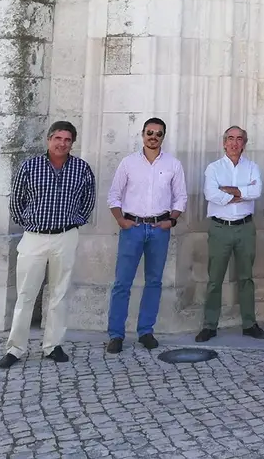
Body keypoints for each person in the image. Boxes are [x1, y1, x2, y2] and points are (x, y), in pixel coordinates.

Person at [0, 121, 96, 369]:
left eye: (67, 140)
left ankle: (53, 345)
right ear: (49, 139)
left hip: (65, 236)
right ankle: (15, 348)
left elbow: (88, 201)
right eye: (57, 138)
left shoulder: (82, 169)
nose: (62, 143)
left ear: (72, 143)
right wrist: (30, 224)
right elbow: (16, 202)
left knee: (59, 293)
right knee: (26, 294)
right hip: (34, 238)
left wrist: (75, 223)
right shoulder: (30, 167)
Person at [105, 117, 188, 353]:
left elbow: (180, 196)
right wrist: (121, 220)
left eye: (158, 133)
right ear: (142, 134)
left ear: (163, 137)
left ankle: (146, 331)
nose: (153, 137)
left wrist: (172, 220)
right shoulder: (128, 163)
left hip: (158, 229)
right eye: (149, 132)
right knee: (122, 283)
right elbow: (114, 195)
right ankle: (116, 335)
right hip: (132, 228)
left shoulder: (173, 164)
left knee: (154, 282)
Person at [196, 126, 264, 342]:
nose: (235, 143)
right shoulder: (214, 168)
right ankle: (209, 325)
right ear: (224, 142)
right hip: (220, 228)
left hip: (245, 227)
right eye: (230, 138)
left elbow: (257, 192)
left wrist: (231, 191)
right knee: (215, 278)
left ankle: (249, 323)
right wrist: (241, 194)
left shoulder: (252, 167)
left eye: (239, 139)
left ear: (244, 143)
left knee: (246, 277)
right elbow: (211, 193)